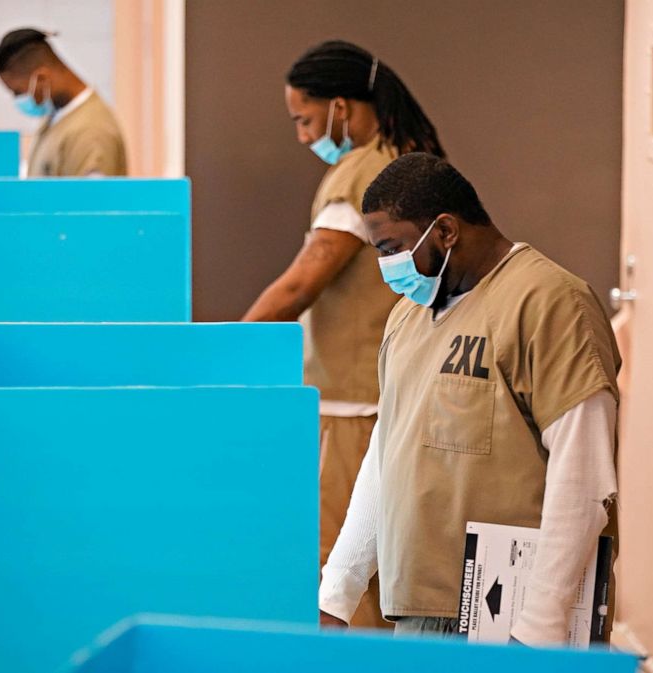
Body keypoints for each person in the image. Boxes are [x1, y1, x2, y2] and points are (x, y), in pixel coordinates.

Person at [319, 152, 621, 645]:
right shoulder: (408, 318)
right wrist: (336, 593)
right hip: (421, 612)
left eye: (392, 247)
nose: (385, 267)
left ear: (445, 231)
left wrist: (541, 627)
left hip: (514, 617)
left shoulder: (549, 303)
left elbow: (583, 476)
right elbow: (385, 458)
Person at [242, 41, 445, 629]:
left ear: (340, 106)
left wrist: (226, 352)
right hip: (391, 391)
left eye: (305, 120)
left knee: (344, 570)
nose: (304, 136)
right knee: (381, 564)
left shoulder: (359, 172)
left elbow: (301, 284)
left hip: (354, 405)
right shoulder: (406, 154)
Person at [0, 28, 127, 177]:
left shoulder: (91, 131)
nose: (18, 99)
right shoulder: (56, 115)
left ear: (41, 79)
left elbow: (92, 199)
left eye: (18, 92)